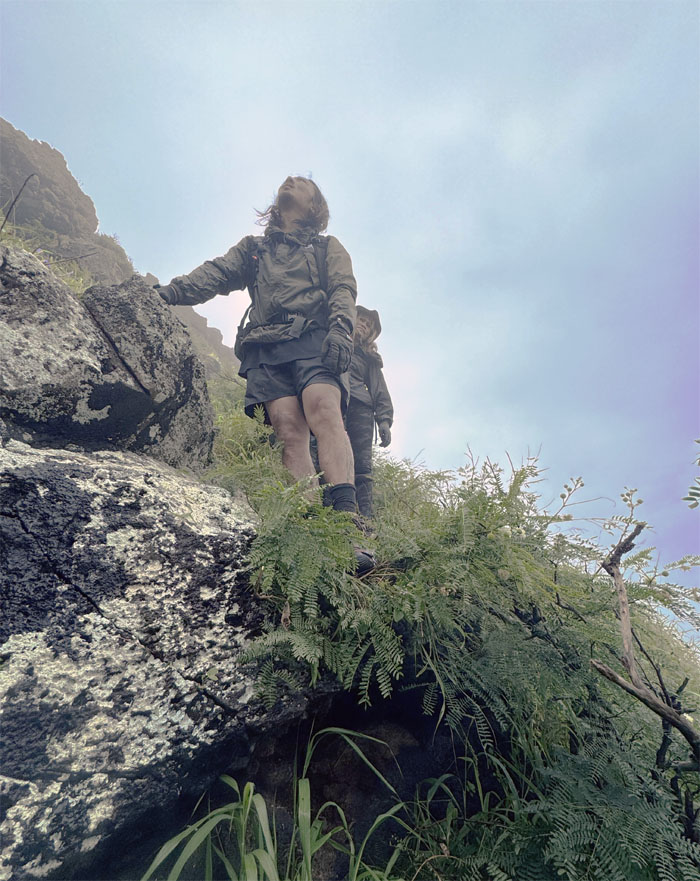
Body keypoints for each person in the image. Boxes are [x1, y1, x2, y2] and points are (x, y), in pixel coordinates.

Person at [156, 176, 373, 572]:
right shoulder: (254, 250)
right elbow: (216, 273)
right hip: (266, 345)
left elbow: (343, 288)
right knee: (289, 431)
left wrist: (342, 328)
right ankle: (311, 534)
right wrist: (169, 293)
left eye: (302, 183)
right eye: (289, 179)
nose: (290, 181)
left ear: (315, 206)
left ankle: (347, 528)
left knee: (324, 410)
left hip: (314, 337)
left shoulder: (327, 247)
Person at [346, 306, 394, 519]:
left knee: (362, 465)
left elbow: (379, 388)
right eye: (362, 320)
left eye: (368, 325)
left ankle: (365, 517)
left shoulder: (369, 357)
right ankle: (330, 507)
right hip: (330, 401)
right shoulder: (331, 338)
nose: (364, 325)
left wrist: (384, 420)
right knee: (322, 451)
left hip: (360, 408)